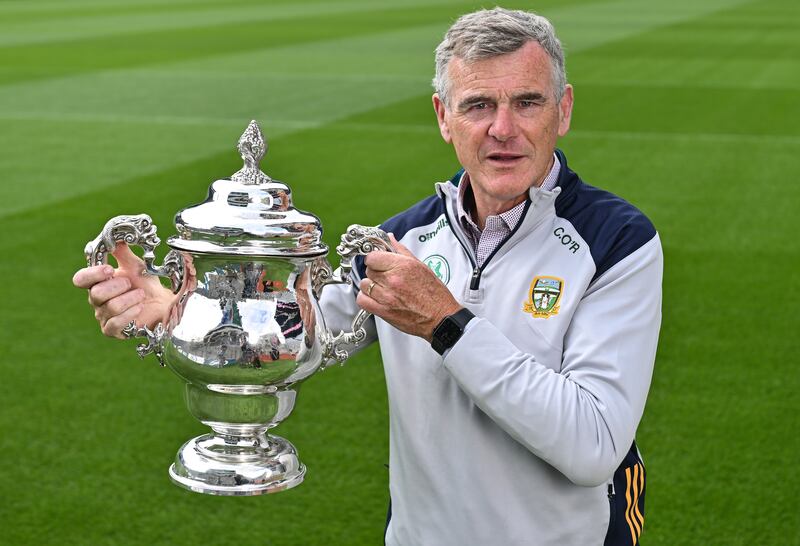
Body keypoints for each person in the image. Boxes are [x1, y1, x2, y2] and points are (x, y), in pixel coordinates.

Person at [73, 8, 662, 545]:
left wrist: (446, 324)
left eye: (527, 102)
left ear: (563, 111)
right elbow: (297, 331)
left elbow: (593, 447)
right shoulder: (402, 240)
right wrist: (184, 305)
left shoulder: (617, 243)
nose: (502, 129)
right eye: (478, 105)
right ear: (443, 117)